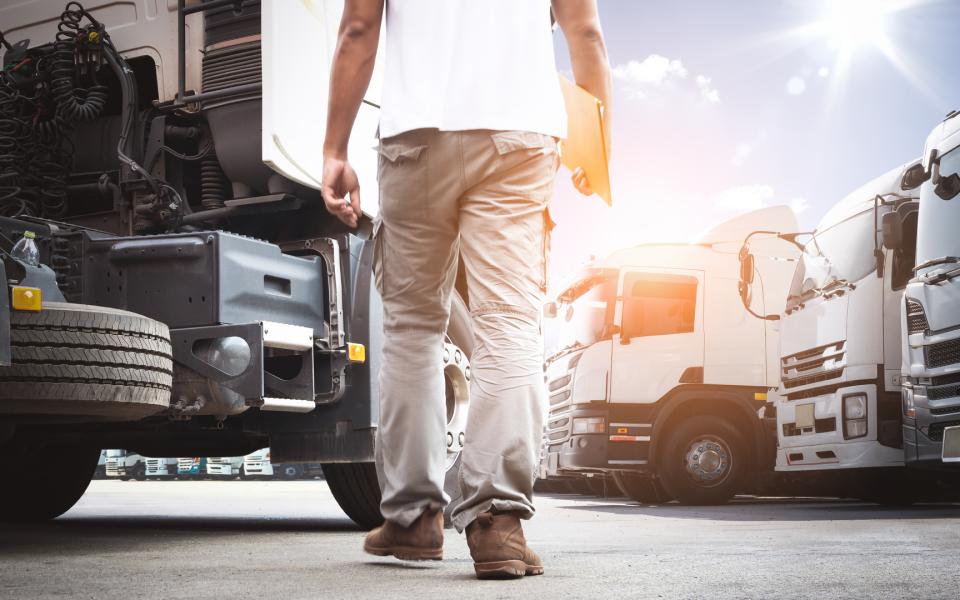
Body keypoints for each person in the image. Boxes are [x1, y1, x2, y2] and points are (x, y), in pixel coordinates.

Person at [321, 0, 610, 580]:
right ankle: (497, 522)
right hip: (518, 135)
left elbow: (358, 29)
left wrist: (335, 149)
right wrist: (597, 142)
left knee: (412, 328)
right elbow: (585, 31)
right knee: (507, 322)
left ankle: (412, 518)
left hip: (416, 135)